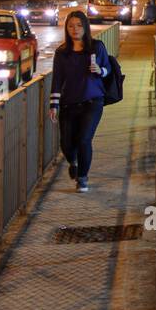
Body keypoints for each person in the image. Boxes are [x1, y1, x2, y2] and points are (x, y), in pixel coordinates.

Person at [49, 10, 110, 193]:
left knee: (84, 139)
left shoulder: (96, 47)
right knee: (66, 144)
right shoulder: (62, 53)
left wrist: (100, 70)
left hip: (92, 102)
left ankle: (82, 178)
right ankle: (73, 161)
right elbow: (57, 80)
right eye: (70, 26)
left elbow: (108, 69)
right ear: (66, 29)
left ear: (85, 27)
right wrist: (54, 105)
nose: (75, 29)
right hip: (69, 103)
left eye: (79, 25)